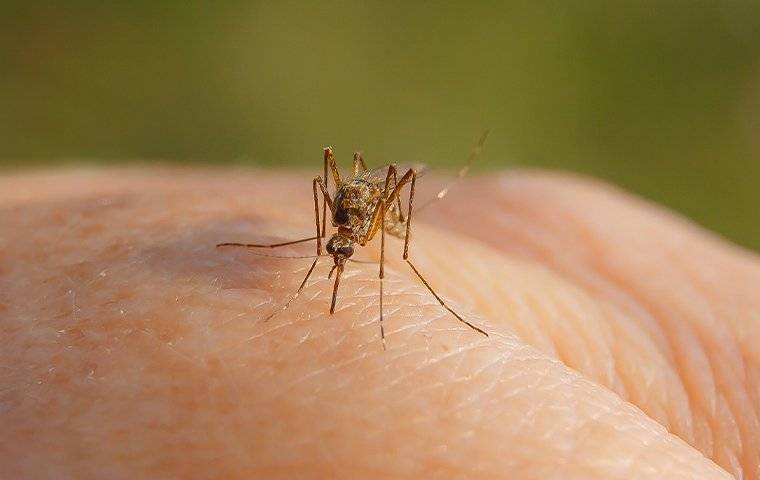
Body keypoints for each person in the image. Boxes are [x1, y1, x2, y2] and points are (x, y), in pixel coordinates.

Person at [1, 167, 756, 479]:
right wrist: (307, 247)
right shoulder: (334, 226)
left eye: (333, 250)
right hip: (348, 208)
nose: (337, 259)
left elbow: (371, 213)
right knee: (326, 174)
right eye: (333, 251)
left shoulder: (370, 224)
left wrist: (399, 264)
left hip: (379, 213)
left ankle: (409, 272)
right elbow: (327, 203)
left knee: (384, 217)